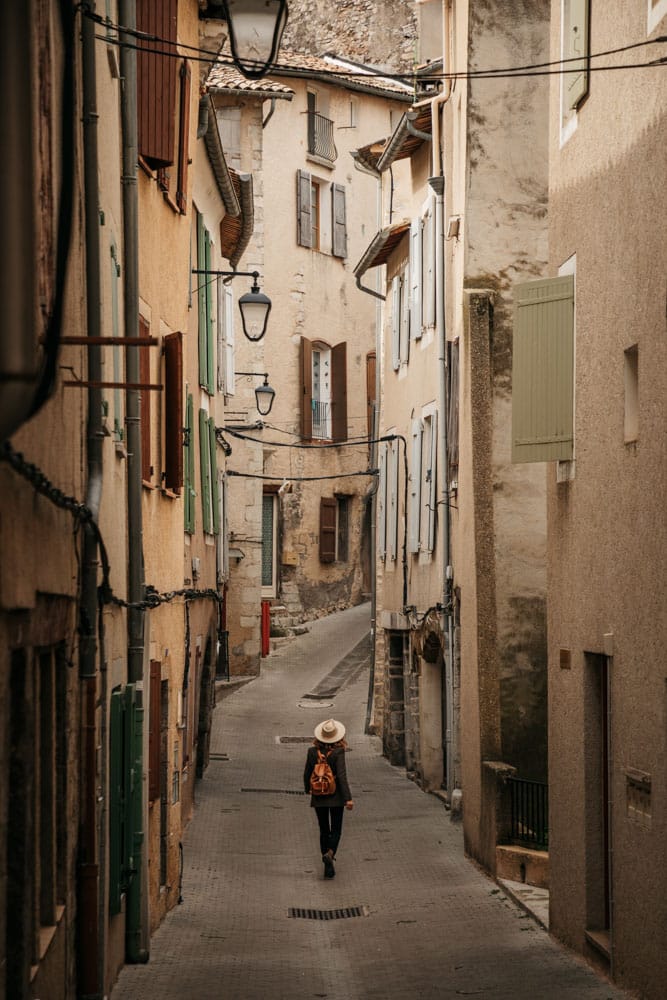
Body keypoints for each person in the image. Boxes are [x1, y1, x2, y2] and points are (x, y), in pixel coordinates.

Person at [303, 718, 354, 879]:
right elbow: (341, 776)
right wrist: (348, 798)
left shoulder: (312, 752)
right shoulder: (338, 752)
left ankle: (326, 857)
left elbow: (306, 773)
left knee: (324, 829)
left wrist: (308, 789)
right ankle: (330, 854)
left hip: (319, 796)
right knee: (336, 829)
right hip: (336, 796)